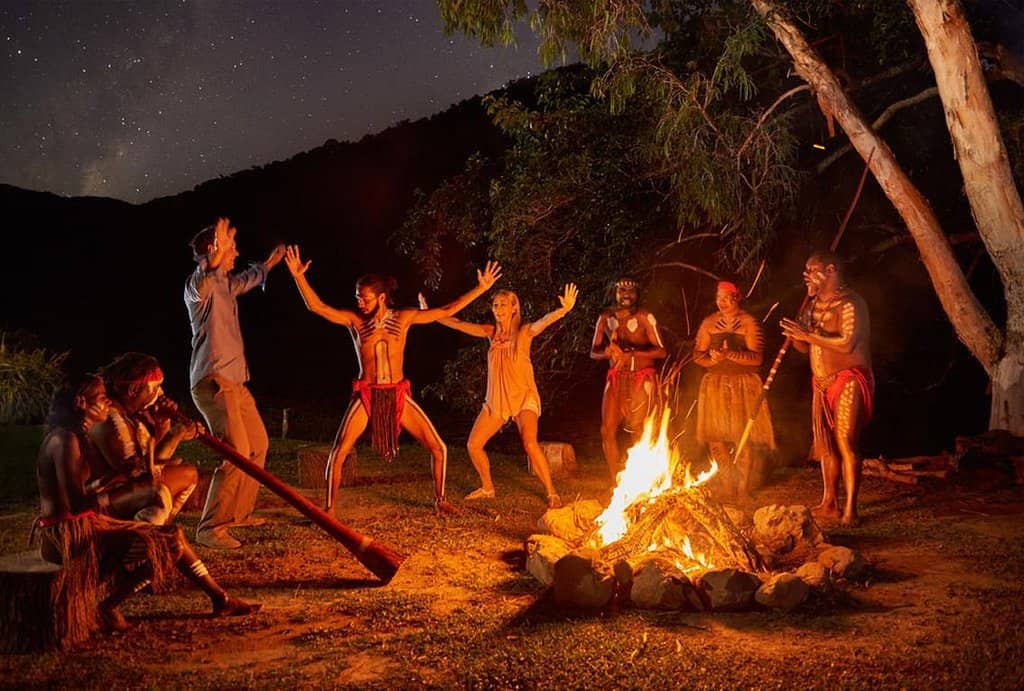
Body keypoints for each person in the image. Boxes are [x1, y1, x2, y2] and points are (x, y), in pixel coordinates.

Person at [283, 245, 501, 514]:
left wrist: (481, 289)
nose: (359, 303)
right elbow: (317, 307)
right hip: (367, 395)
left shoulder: (404, 317)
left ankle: (441, 500)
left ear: (382, 298)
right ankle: (328, 510)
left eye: (364, 298)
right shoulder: (355, 322)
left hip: (397, 394)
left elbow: (446, 310)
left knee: (439, 447)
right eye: (357, 298)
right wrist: (298, 277)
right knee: (339, 451)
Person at [34, 374, 259, 633]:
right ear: (81, 403)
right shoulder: (65, 440)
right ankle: (107, 607)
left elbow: (88, 489)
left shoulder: (76, 437)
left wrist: (124, 478)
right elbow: (76, 505)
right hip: (67, 536)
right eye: (101, 397)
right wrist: (129, 492)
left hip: (83, 524)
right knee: (166, 543)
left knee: (169, 535)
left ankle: (221, 599)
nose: (108, 402)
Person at [422, 284, 578, 508]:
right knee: (473, 444)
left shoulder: (523, 333)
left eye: (503, 304)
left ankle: (552, 493)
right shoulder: (491, 333)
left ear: (514, 308)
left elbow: (541, 323)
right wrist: (431, 314)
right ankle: (487, 488)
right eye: (495, 305)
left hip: (524, 397)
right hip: (498, 399)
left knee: (530, 443)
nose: (498, 308)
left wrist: (563, 310)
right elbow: (458, 324)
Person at [185, 217, 286, 549]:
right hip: (212, 381)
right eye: (231, 246)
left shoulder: (227, 285)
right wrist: (211, 261)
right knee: (237, 453)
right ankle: (210, 527)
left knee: (258, 446)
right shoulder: (199, 287)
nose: (237, 252)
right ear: (213, 250)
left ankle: (238, 514)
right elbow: (201, 282)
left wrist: (270, 262)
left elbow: (250, 277)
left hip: (235, 382)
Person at [780, 250, 873, 526]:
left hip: (848, 378)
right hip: (820, 383)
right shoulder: (812, 306)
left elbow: (846, 344)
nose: (806, 274)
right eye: (806, 269)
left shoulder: (851, 304)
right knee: (826, 445)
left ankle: (851, 510)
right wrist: (795, 335)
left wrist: (807, 334)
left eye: (812, 269)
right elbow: (805, 346)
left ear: (831, 270)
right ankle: (829, 502)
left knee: (845, 440)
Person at [90, 353, 202, 525]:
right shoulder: (110, 418)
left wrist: (162, 425)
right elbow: (139, 475)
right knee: (157, 492)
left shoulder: (130, 414)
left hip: (126, 491)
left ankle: (155, 532)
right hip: (97, 502)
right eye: (155, 387)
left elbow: (152, 464)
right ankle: (141, 537)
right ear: (134, 390)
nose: (160, 394)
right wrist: (175, 435)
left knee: (187, 474)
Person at [693, 281, 776, 499]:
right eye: (719, 297)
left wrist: (730, 355)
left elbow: (757, 358)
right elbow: (697, 355)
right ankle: (728, 485)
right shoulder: (709, 323)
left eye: (727, 297)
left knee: (743, 438)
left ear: (737, 297)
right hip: (715, 385)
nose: (722, 302)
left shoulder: (749, 323)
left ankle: (743, 489)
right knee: (715, 438)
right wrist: (712, 359)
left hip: (743, 385)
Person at [591, 277, 667, 479]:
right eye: (622, 291)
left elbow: (661, 352)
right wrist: (607, 351)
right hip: (616, 378)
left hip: (642, 379)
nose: (626, 295)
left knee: (638, 428)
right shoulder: (606, 318)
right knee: (607, 430)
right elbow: (593, 352)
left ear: (637, 294)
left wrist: (632, 354)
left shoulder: (645, 317)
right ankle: (616, 480)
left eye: (630, 291)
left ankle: (642, 479)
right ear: (615, 293)